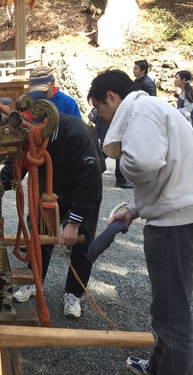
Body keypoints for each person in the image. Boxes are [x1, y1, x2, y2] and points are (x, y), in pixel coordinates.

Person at [87, 68, 193, 375]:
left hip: (174, 226)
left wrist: (123, 158)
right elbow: (169, 174)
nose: (101, 116)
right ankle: (158, 366)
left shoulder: (141, 109)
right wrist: (134, 208)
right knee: (167, 307)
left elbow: (144, 163)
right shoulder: (155, 107)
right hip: (178, 217)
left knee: (172, 315)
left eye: (100, 107)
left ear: (112, 96)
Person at [2, 89, 104, 319]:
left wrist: (74, 222)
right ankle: (33, 281)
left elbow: (90, 182)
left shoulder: (76, 132)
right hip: (52, 188)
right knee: (40, 237)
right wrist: (3, 183)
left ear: (45, 118)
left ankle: (73, 293)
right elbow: (21, 161)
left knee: (81, 242)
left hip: (82, 186)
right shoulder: (34, 134)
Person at [89, 107, 133, 189]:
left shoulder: (107, 101)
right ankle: (121, 180)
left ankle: (89, 174)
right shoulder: (112, 101)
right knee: (116, 151)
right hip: (108, 128)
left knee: (103, 153)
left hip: (105, 128)